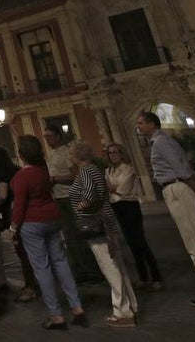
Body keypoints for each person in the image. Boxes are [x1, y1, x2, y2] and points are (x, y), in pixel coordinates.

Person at [136, 111, 195, 308]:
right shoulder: (164, 141)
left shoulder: (160, 142)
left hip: (176, 188)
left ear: (152, 124)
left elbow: (181, 168)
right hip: (180, 187)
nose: (138, 127)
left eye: (141, 123)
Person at [10, 135, 85, 331]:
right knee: (61, 261)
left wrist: (13, 227)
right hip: (52, 218)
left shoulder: (21, 176)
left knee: (42, 268)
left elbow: (19, 205)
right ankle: (77, 307)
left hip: (32, 223)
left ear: (21, 155)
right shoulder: (43, 172)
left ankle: (56, 315)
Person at [68, 140, 138, 328]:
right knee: (117, 265)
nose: (69, 156)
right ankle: (130, 305)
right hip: (106, 222)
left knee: (110, 266)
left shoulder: (85, 171)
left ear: (78, 155)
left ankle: (123, 311)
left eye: (71, 152)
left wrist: (80, 206)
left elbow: (90, 195)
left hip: (96, 225)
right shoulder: (94, 169)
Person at [43, 125, 101, 283]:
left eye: (49, 136)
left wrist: (55, 179)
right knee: (70, 235)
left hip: (70, 196)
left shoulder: (65, 153)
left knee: (80, 231)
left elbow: (75, 174)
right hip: (59, 198)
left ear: (58, 137)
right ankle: (81, 268)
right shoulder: (51, 155)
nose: (47, 139)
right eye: (45, 136)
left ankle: (92, 268)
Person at [105, 143, 162, 290]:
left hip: (130, 206)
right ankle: (143, 276)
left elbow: (123, 189)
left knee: (140, 241)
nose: (112, 155)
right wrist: (112, 188)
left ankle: (156, 276)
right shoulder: (108, 171)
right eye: (110, 153)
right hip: (116, 207)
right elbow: (108, 189)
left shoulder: (128, 169)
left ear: (121, 153)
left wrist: (112, 188)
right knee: (131, 243)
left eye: (115, 152)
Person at [0, 145, 38, 302]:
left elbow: (3, 195)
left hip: (11, 212)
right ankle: (34, 283)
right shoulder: (15, 169)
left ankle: (31, 286)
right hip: (24, 211)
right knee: (28, 250)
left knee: (21, 250)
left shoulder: (1, 172)